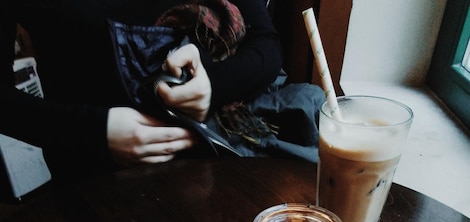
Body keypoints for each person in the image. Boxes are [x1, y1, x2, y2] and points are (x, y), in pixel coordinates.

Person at [0, 0, 283, 182]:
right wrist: (94, 130)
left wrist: (214, 84)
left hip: (223, 170)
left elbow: (266, 45)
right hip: (94, 190)